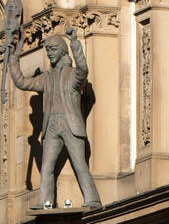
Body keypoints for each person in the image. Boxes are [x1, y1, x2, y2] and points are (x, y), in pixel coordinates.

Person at [7, 21, 102, 211]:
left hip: (70, 124)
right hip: (51, 126)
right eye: (47, 50)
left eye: (52, 49)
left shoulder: (73, 75)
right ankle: (45, 201)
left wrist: (74, 42)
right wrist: (12, 58)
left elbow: (83, 69)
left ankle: (93, 199)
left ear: (61, 51)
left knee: (79, 164)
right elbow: (22, 82)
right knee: (47, 167)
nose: (49, 53)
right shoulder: (46, 78)